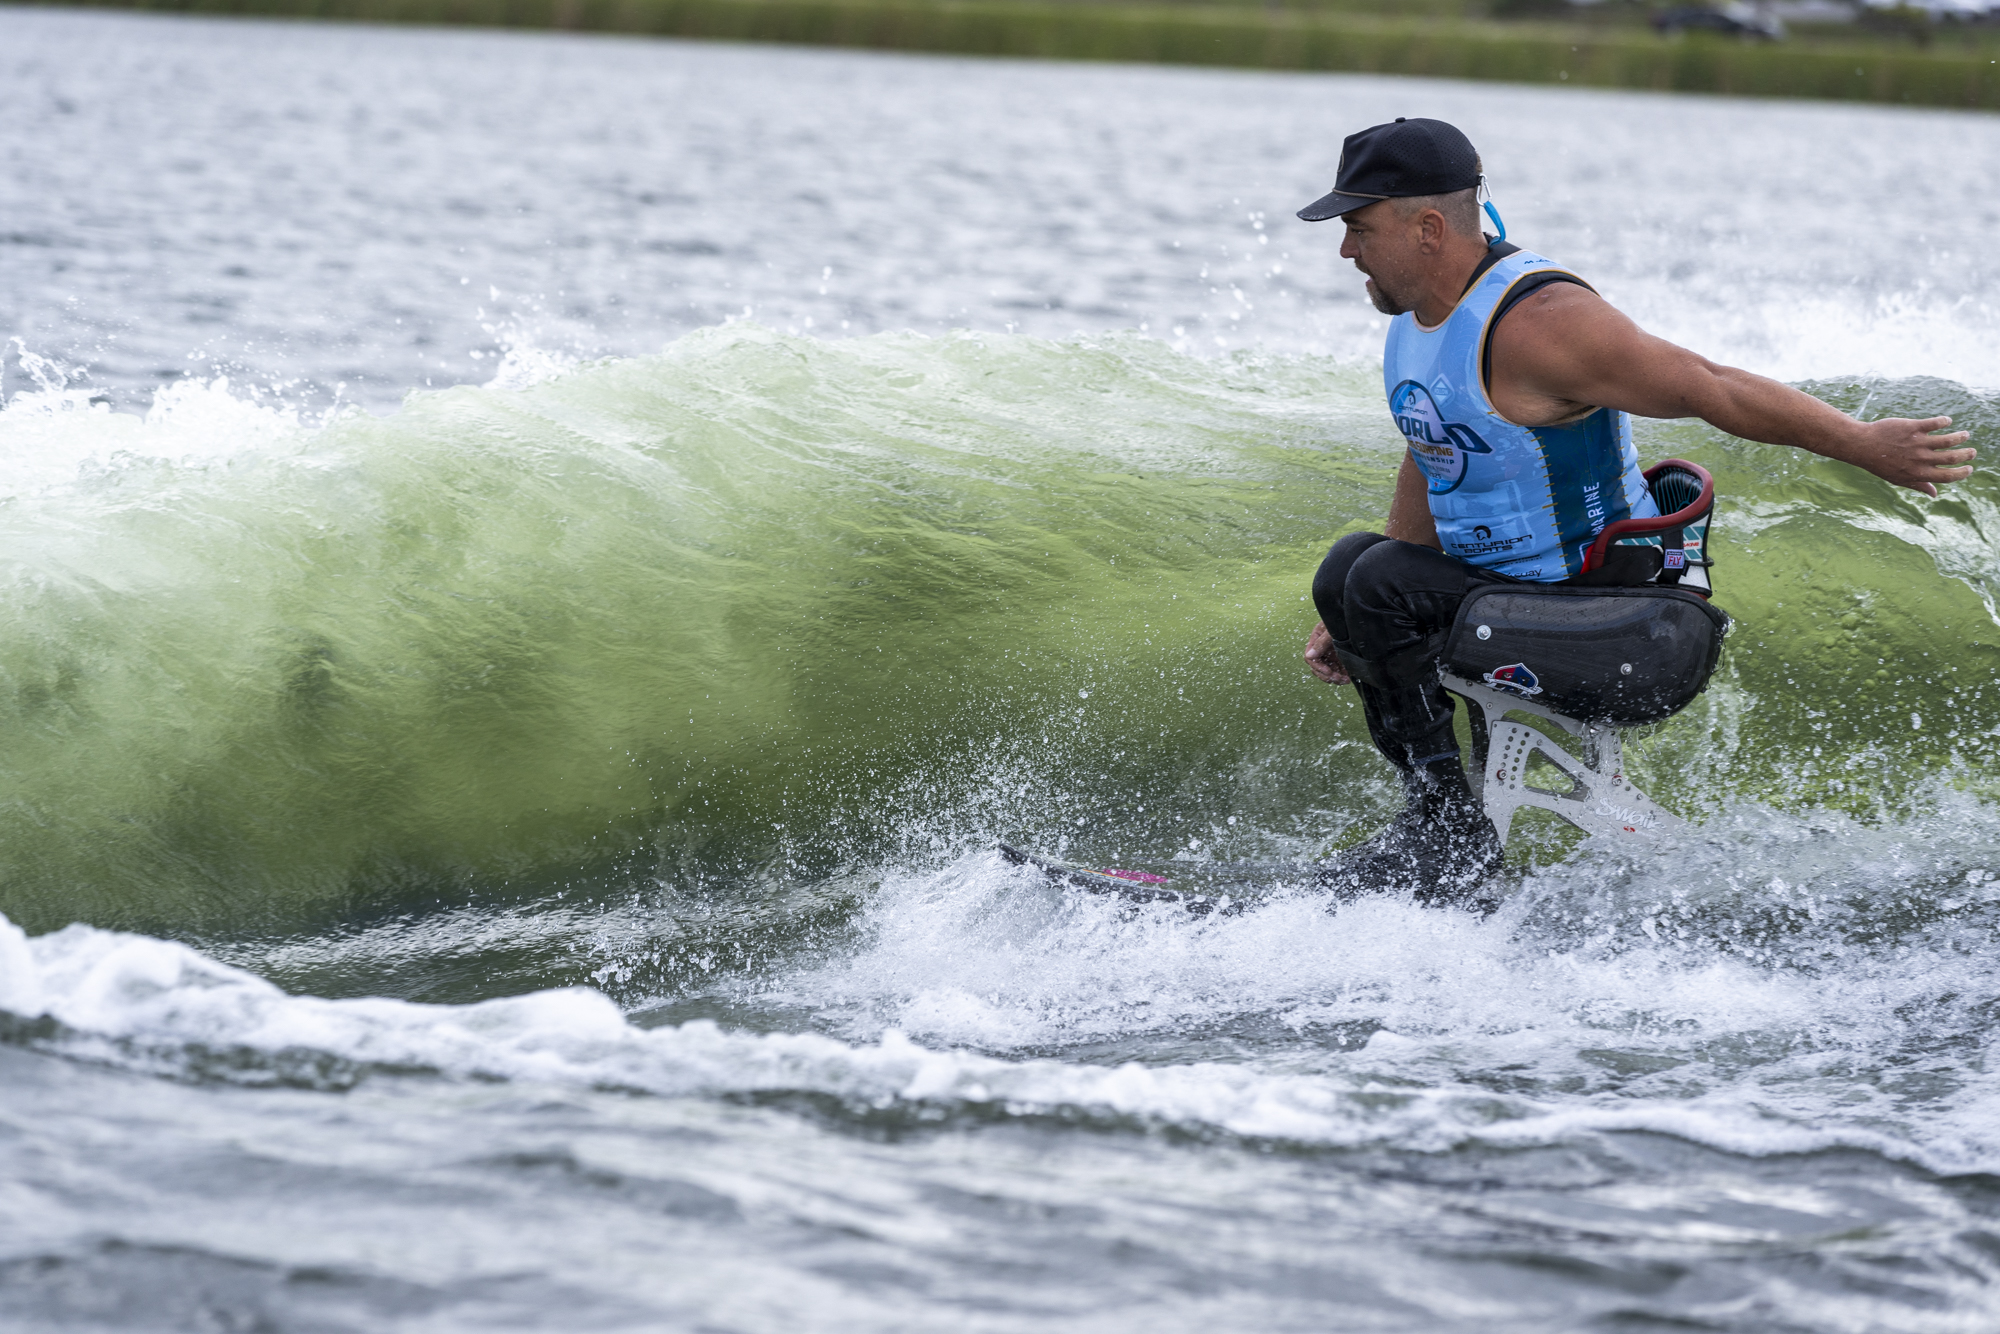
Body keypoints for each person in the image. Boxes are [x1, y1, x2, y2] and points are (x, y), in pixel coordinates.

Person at [1295, 117, 1974, 902]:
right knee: (1351, 569)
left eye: (1358, 228)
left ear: (1428, 227)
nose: (1347, 251)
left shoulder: (1541, 323)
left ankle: (1449, 836)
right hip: (1520, 604)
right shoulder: (1419, 323)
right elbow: (1434, 451)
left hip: (1627, 628)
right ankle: (1438, 818)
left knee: (1373, 576)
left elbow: (1706, 384)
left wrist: (1862, 443)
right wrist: (1353, 620)